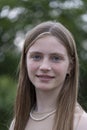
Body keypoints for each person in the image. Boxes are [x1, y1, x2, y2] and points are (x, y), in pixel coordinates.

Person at [9, 21, 87, 130]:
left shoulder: (81, 124)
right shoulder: (17, 123)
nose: (44, 67)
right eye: (36, 56)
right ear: (25, 62)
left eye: (56, 58)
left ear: (70, 66)